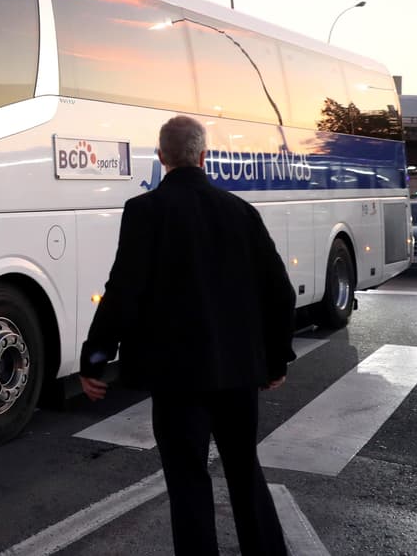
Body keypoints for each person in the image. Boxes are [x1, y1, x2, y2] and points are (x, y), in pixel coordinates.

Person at [79, 115, 295, 555]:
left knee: (187, 478)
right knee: (243, 468)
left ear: (161, 157)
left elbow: (123, 290)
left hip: (176, 378)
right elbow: (280, 292)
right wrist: (275, 360)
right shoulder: (241, 212)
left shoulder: (144, 212)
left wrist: (97, 359)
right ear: (204, 155)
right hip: (237, 373)